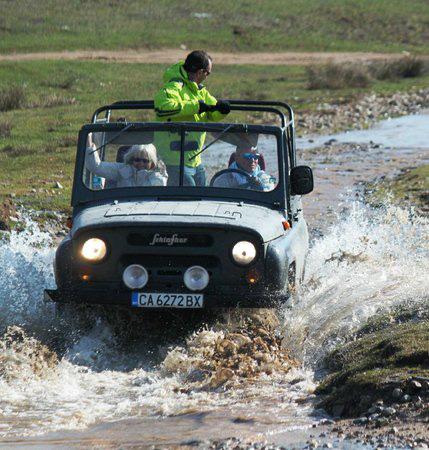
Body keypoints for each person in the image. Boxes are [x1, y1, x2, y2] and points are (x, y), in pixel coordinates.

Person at [154, 50, 230, 186]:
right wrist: (196, 107)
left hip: (195, 159)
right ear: (200, 72)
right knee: (190, 197)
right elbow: (162, 108)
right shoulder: (174, 86)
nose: (207, 77)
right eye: (208, 73)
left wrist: (222, 109)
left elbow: (212, 112)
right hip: (174, 160)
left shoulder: (199, 90)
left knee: (203, 198)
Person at [85, 135, 167, 188]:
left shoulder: (158, 178)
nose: (141, 164)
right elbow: (97, 167)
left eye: (145, 161)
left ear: (152, 163)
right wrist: (89, 142)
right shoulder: (123, 170)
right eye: (137, 160)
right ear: (131, 159)